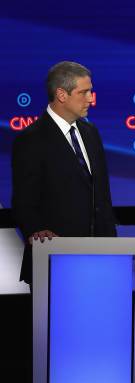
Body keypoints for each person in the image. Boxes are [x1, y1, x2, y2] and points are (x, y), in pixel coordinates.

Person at [12, 61, 117, 285]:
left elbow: (101, 195)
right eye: (84, 92)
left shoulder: (90, 132)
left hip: (100, 260)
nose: (91, 98)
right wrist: (36, 231)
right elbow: (23, 200)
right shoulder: (31, 139)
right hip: (54, 263)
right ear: (61, 94)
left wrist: (114, 248)